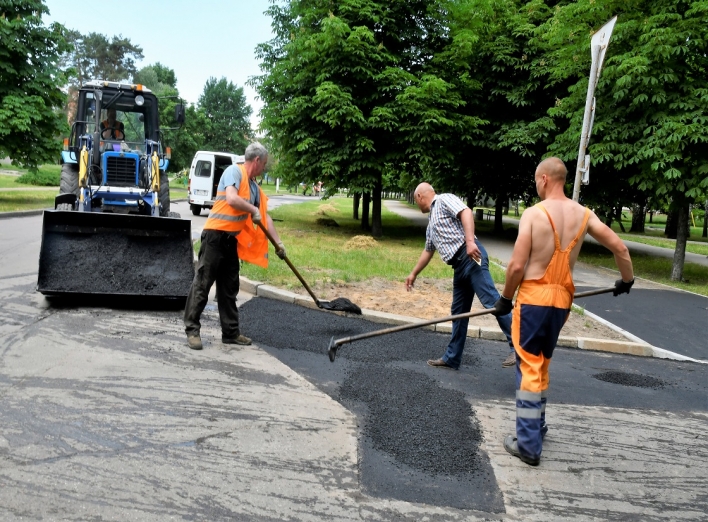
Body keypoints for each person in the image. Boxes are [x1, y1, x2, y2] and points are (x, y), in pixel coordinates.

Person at [492, 157, 634, 466]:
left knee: (528, 365)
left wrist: (504, 299)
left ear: (543, 179)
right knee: (542, 364)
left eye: (535, 180)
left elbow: (516, 265)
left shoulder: (534, 214)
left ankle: (528, 445)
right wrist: (627, 280)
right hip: (561, 303)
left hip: (533, 299)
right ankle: (538, 426)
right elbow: (621, 249)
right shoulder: (584, 214)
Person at [184, 142, 286, 350]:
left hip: (231, 241)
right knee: (203, 284)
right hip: (214, 237)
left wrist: (278, 244)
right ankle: (192, 330)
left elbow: (265, 217)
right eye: (264, 164)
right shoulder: (234, 171)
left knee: (229, 288)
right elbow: (231, 199)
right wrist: (251, 209)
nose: (264, 168)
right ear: (256, 160)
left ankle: (230, 333)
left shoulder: (254, 187)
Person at [405, 183, 514, 370]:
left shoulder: (444, 199)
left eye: (416, 201)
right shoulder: (431, 224)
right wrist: (414, 273)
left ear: (420, 197)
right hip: (459, 266)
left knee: (492, 301)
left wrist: (470, 241)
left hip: (471, 256)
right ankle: (452, 357)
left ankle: (519, 345)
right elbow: (428, 251)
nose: (417, 205)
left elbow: (466, 212)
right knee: (459, 313)